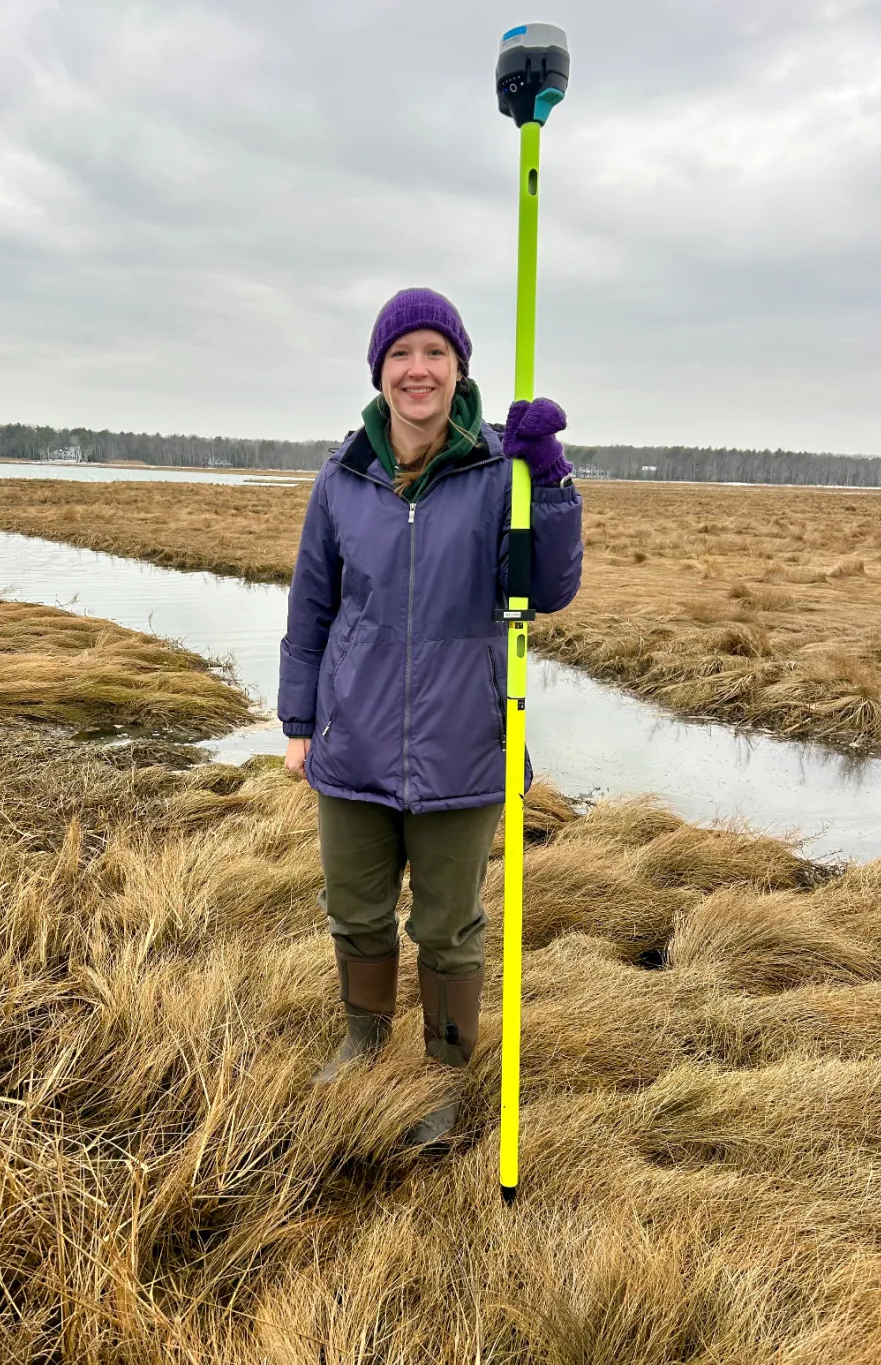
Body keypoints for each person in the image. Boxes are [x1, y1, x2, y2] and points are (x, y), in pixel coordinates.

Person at [278, 287, 583, 1144]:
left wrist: (549, 483)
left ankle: (448, 1071)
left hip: (466, 744)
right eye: (402, 354)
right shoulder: (342, 477)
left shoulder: (501, 470)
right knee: (357, 910)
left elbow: (547, 589)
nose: (418, 369)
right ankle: (362, 1041)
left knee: (448, 925)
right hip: (355, 740)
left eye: (435, 353)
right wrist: (300, 724)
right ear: (379, 372)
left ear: (459, 370)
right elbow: (312, 607)